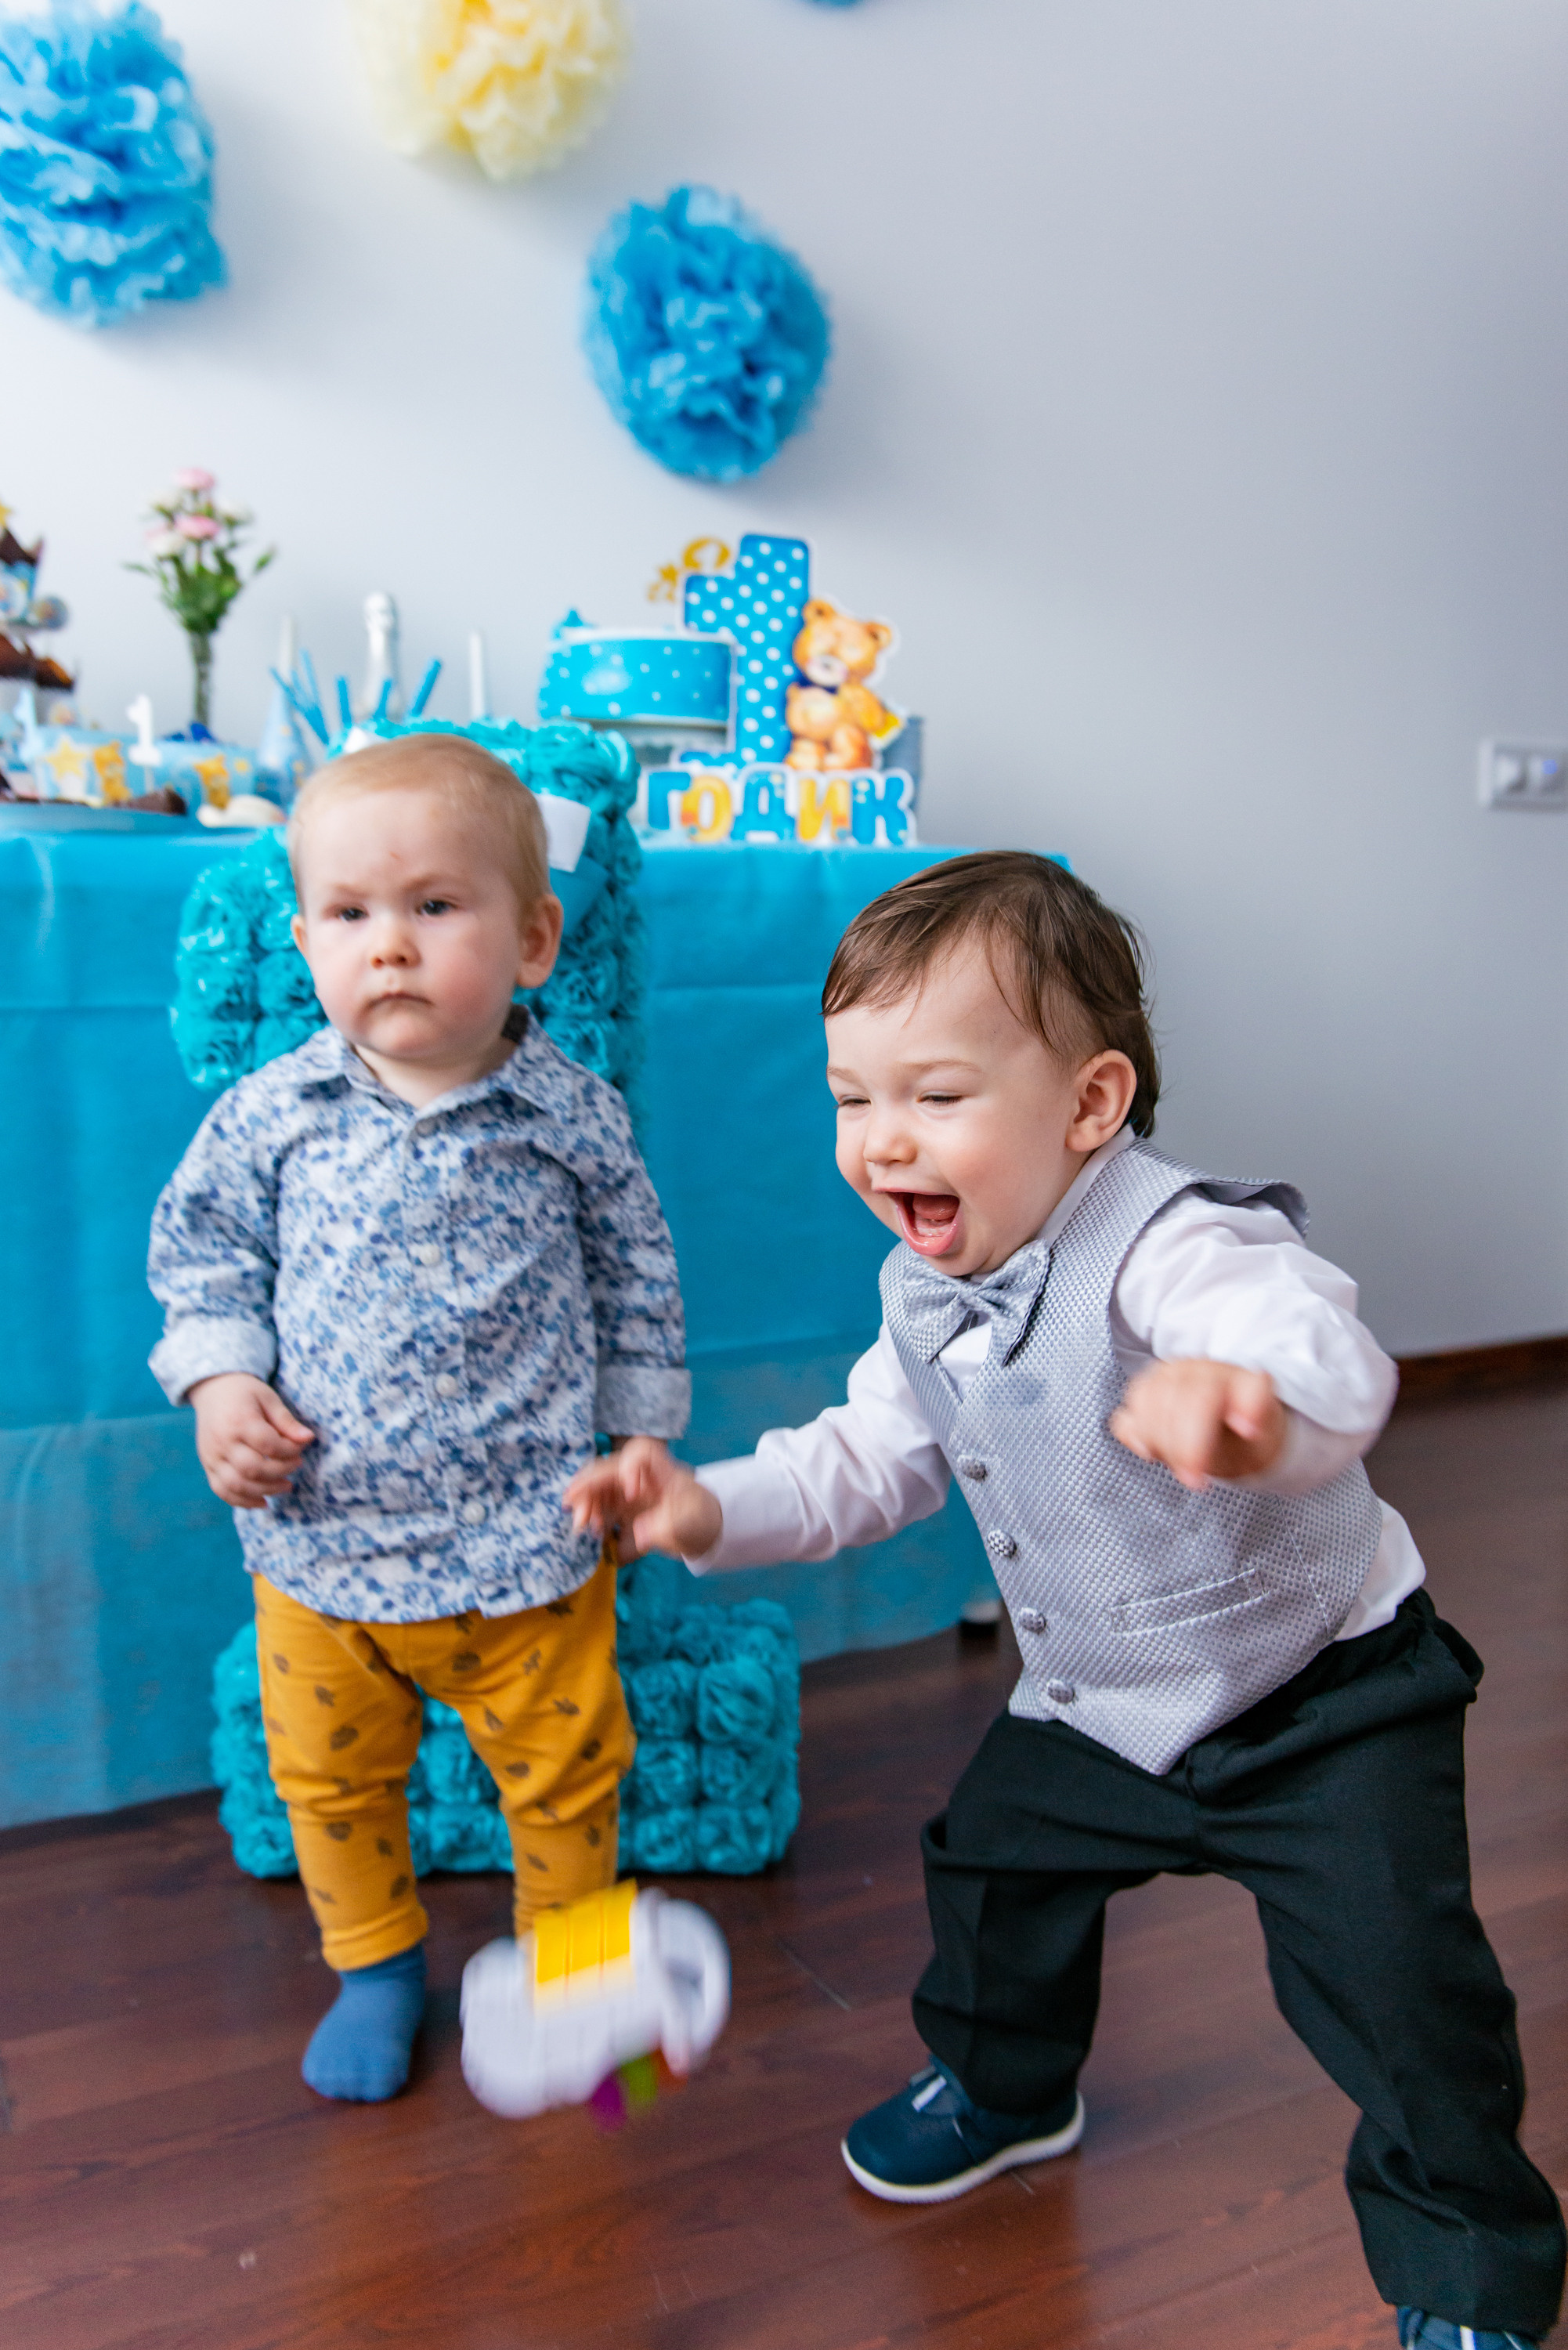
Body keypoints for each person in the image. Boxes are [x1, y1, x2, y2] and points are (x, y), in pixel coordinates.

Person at [565, 851, 1563, 2350]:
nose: (881, 1140)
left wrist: (1255, 1405)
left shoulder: (1177, 1247)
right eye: (852, 1097)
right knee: (989, 1872)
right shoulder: (926, 1296)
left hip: (1323, 1699)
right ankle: (1006, 2086)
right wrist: (707, 1508)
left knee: (1401, 1994)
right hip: (1102, 1702)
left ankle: (1467, 2278)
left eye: (935, 1096)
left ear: (1088, 1107)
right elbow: (862, 1460)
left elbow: (1317, 1351)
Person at [149, 733, 688, 2103]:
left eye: (434, 907)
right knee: (329, 1786)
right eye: (349, 915)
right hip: (324, 1547)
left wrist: (639, 1438)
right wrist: (219, 1380)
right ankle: (377, 1966)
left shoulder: (573, 1117)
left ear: (534, 938)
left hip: (527, 1544)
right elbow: (202, 1256)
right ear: (307, 936)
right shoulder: (271, 1114)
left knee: (567, 1778)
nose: (388, 947)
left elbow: (637, 1275)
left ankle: (569, 1977)